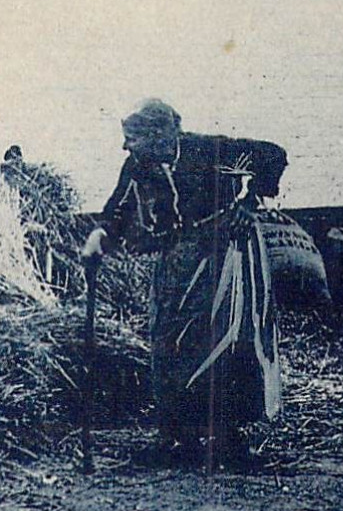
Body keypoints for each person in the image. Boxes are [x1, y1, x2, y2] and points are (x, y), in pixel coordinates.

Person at [79, 99, 286, 468]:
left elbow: (272, 155)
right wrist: (98, 234)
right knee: (168, 341)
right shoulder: (138, 167)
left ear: (161, 136)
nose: (126, 147)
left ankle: (228, 440)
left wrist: (249, 202)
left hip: (227, 254)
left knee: (222, 340)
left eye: (133, 139)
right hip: (178, 256)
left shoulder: (208, 151)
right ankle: (179, 438)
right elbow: (117, 209)